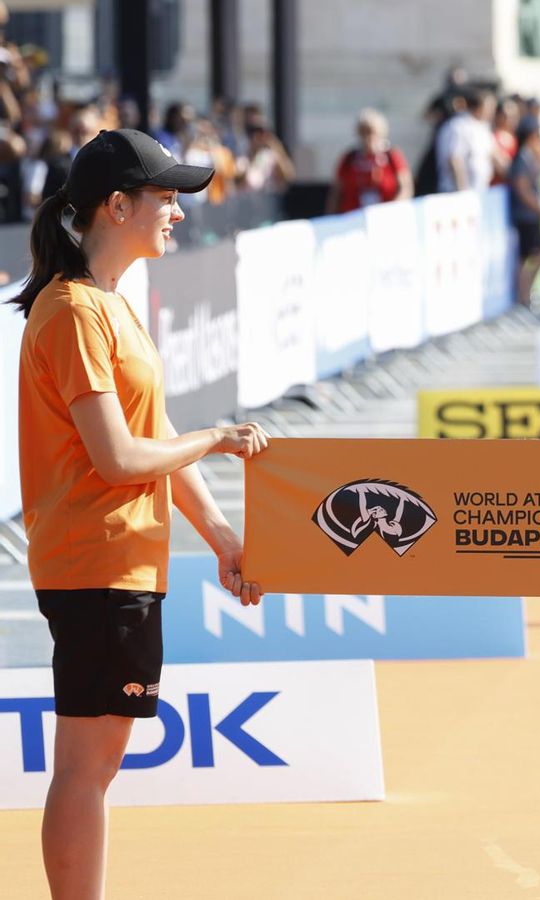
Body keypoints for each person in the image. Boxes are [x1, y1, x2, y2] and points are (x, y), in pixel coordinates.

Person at [5, 128, 268, 900]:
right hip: (96, 561)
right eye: (165, 196)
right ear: (116, 207)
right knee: (86, 769)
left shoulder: (107, 304)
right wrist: (217, 438)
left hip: (117, 562)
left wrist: (220, 536)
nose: (179, 211)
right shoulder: (74, 311)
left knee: (94, 767)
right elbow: (120, 457)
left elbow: (152, 436)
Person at [327, 108, 413, 214]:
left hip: (385, 215)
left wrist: (395, 209)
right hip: (354, 215)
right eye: (364, 132)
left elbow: (405, 187)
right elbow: (336, 192)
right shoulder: (350, 158)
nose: (369, 137)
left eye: (372, 132)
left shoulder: (391, 156)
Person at [508, 117, 540, 306]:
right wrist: (539, 208)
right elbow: (523, 189)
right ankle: (523, 296)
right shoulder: (521, 159)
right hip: (526, 216)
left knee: (535, 257)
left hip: (531, 215)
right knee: (530, 257)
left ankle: (527, 295)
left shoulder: (529, 156)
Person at [435, 88, 499, 193]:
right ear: (478, 107)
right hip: (456, 192)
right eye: (490, 107)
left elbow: (493, 154)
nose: (492, 111)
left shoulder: (483, 127)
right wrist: (463, 191)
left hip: (479, 191)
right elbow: (454, 160)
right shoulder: (458, 126)